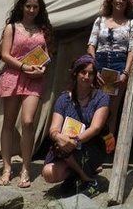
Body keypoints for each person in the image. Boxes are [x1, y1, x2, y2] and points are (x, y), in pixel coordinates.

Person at [0, 0, 53, 188]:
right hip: (13, 76)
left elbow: (46, 54)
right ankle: (7, 167)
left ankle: (26, 167)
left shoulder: (42, 29)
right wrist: (23, 67)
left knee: (28, 122)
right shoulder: (11, 27)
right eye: (28, 6)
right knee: (9, 123)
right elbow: (4, 54)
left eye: (35, 7)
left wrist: (42, 68)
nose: (31, 10)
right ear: (22, 6)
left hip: (34, 79)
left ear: (40, 9)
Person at [41, 54, 110, 198]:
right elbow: (54, 128)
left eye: (91, 73)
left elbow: (96, 128)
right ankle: (76, 176)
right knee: (48, 173)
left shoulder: (101, 98)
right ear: (75, 74)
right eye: (83, 72)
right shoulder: (64, 99)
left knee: (64, 149)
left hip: (91, 146)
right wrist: (59, 137)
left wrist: (75, 141)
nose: (86, 76)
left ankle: (89, 180)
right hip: (66, 148)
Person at [87, 0, 133, 142]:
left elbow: (132, 50)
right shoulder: (100, 20)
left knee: (111, 110)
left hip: (118, 64)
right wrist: (94, 69)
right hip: (100, 62)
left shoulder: (131, 24)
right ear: (111, 0)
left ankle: (106, 149)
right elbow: (91, 45)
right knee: (94, 106)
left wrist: (125, 72)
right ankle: (91, 148)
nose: (120, 1)